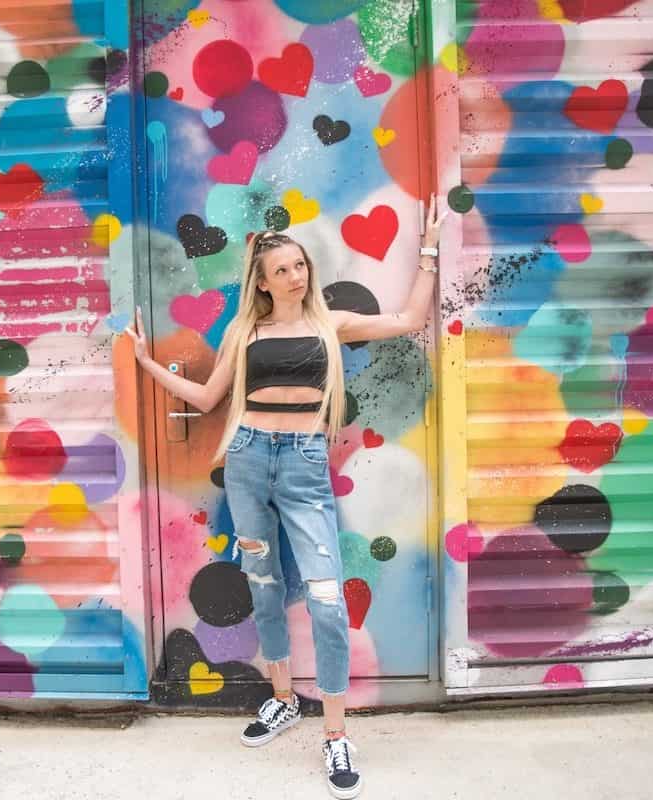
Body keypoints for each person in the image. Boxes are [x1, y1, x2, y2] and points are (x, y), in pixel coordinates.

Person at [126, 194, 446, 799]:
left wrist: (427, 247)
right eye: (282, 270)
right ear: (264, 283)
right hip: (247, 460)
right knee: (264, 584)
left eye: (300, 265)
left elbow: (407, 319)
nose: (295, 276)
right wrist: (147, 363)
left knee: (326, 600)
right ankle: (281, 699)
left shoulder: (332, 323)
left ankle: (334, 733)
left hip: (304, 468)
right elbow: (205, 399)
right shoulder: (244, 330)